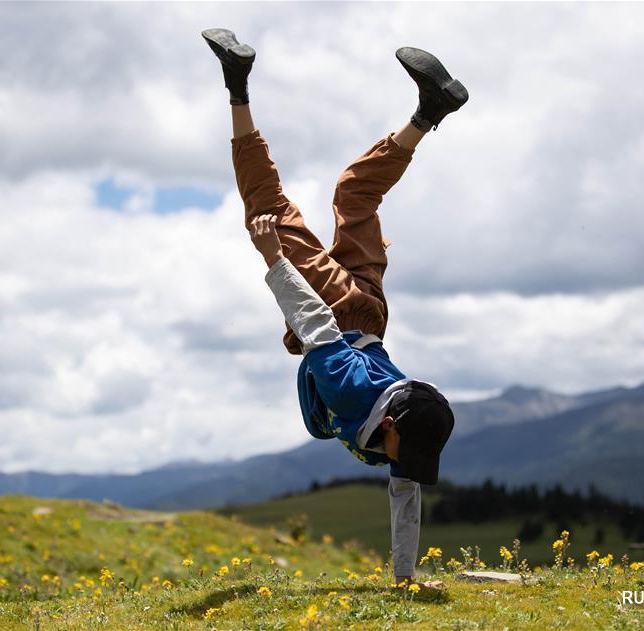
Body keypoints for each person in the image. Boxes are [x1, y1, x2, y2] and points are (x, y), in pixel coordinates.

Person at [202, 28, 467, 588]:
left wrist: (405, 578)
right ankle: (237, 83)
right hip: (340, 313)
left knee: (355, 194)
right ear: (392, 424)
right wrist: (274, 259)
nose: (406, 465)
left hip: (372, 312)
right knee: (267, 207)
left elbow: (406, 501)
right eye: (408, 452)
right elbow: (317, 327)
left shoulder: (407, 428)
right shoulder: (352, 393)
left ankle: (429, 112)